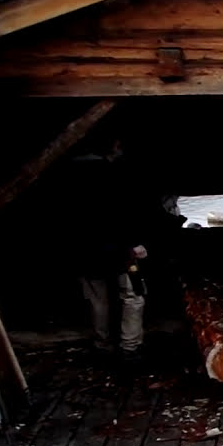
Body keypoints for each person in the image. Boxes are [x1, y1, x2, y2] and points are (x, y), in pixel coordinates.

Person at [68, 137, 182, 358]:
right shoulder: (114, 175)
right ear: (114, 148)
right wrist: (134, 243)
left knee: (97, 299)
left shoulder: (71, 174)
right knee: (133, 295)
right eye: (119, 146)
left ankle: (102, 344)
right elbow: (121, 215)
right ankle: (130, 346)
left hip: (85, 250)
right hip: (120, 250)